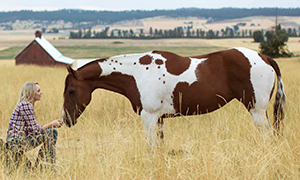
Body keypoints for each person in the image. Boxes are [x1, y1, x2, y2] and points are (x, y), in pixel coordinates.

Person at [6, 82, 63, 169]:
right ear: (31, 93)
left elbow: (31, 130)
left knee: (50, 133)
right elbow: (35, 130)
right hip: (17, 142)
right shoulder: (26, 105)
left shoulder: (24, 104)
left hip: (18, 140)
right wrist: (52, 124)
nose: (41, 92)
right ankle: (46, 165)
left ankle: (43, 164)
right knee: (52, 133)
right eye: (38, 91)